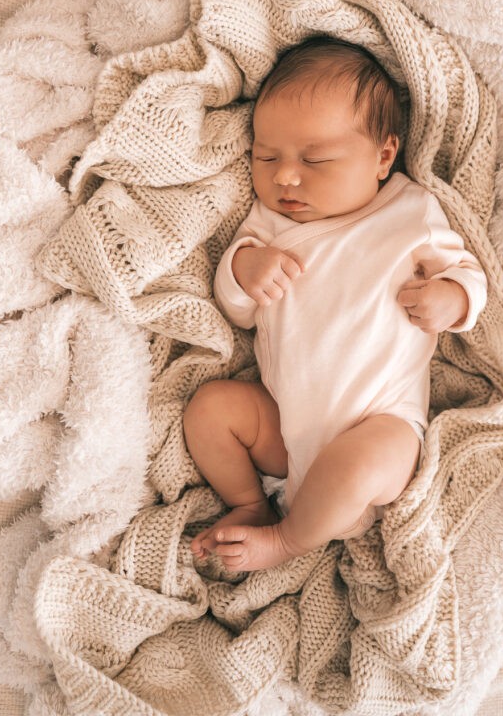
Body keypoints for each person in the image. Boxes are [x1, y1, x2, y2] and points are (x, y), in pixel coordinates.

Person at [184, 36, 487, 572]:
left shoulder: (410, 211)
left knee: (355, 466)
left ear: (383, 157)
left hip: (381, 424)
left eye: (315, 159)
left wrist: (453, 296)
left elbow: (467, 272)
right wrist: (243, 270)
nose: (284, 176)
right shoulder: (269, 225)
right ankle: (250, 503)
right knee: (210, 409)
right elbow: (238, 309)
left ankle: (286, 541)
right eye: (266, 156)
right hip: (285, 429)